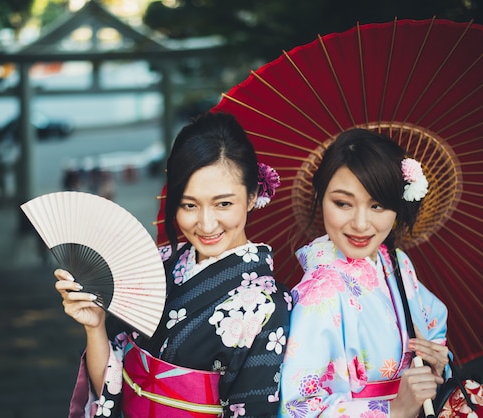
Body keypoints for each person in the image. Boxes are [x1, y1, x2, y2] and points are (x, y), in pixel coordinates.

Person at [55, 111, 292, 417]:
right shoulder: (156, 265)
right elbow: (111, 387)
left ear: (252, 196)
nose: (206, 224)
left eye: (223, 204)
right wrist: (96, 326)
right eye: (189, 205)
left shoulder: (268, 306)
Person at [279, 129, 450, 418]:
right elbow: (299, 408)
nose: (360, 223)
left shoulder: (396, 261)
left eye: (378, 205)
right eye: (343, 203)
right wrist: (393, 410)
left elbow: (434, 327)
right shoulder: (321, 292)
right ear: (321, 198)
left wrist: (436, 364)